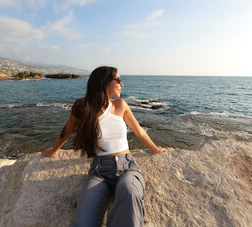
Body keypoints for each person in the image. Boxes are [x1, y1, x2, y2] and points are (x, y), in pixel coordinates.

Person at [42, 66, 167, 227]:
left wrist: (155, 149)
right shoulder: (82, 107)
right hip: (99, 172)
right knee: (83, 222)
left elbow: (139, 131)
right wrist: (54, 150)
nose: (122, 84)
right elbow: (67, 130)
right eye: (119, 80)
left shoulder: (121, 105)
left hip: (127, 167)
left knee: (129, 194)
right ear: (104, 82)